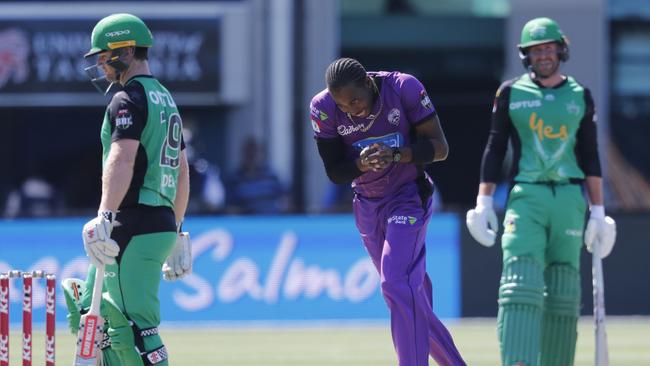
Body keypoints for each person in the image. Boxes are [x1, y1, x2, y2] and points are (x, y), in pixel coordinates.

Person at [465, 17, 617, 366]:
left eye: (548, 49)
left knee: (564, 288)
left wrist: (598, 212)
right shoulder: (511, 92)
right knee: (520, 282)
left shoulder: (580, 96)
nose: (543, 56)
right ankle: (519, 362)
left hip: (569, 198)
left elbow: (590, 154)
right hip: (526, 195)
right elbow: (495, 145)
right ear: (526, 56)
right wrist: (483, 201)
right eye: (536, 51)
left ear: (560, 50)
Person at [310, 57, 466, 366]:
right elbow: (334, 171)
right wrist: (361, 164)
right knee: (408, 298)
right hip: (367, 205)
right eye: (345, 107)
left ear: (368, 84)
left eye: (356, 100)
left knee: (395, 283)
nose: (353, 111)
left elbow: (440, 147)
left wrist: (396, 154)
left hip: (408, 197)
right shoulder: (323, 107)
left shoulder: (403, 88)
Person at [63, 13, 192, 366]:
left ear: (127, 49)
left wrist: (105, 215)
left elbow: (121, 159)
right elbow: (182, 172)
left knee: (134, 327)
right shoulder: (165, 98)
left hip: (133, 223)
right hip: (158, 222)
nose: (101, 65)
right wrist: (177, 230)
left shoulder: (128, 99)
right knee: (97, 315)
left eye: (105, 56)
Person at [225, 136, 288, 214]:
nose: (252, 155)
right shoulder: (234, 178)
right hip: (246, 221)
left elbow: (285, 200)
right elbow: (229, 206)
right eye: (249, 152)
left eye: (255, 152)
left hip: (271, 220)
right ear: (243, 153)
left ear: (261, 154)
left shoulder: (272, 176)